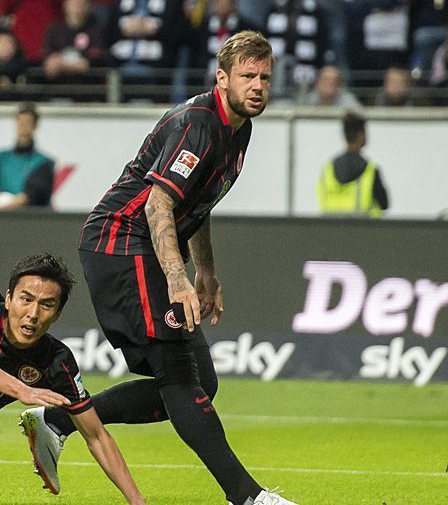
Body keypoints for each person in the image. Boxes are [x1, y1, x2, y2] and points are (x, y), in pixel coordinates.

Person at [20, 31, 296, 505]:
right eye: (248, 76)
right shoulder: (198, 124)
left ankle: (59, 420)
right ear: (222, 77)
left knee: (201, 384)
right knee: (178, 374)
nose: (257, 86)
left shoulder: (239, 129)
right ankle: (248, 497)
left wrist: (205, 271)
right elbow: (159, 205)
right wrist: (177, 277)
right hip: (120, 243)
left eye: (265, 78)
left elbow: (200, 200)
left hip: (144, 248)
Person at [2, 254, 144, 503]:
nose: (33, 314)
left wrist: (137, 501)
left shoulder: (57, 362)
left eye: (46, 305)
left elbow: (96, 436)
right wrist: (20, 389)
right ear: (8, 299)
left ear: (57, 313)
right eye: (26, 299)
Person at [318, 111, 389, 216]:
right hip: (362, 229)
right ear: (361, 135)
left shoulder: (327, 169)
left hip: (330, 229)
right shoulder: (370, 170)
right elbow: (384, 204)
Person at [0, 103, 55, 210]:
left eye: (27, 122)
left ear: (35, 125)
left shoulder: (44, 163)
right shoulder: (2, 159)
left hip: (29, 221)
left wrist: (7, 204)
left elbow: (33, 195)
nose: (23, 126)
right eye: (20, 121)